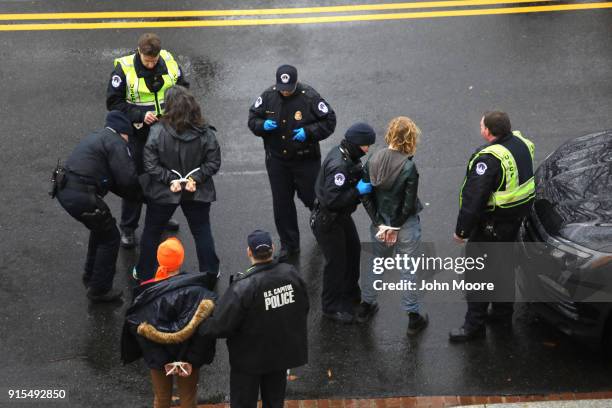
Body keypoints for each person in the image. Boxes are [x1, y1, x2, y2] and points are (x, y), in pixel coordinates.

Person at [449, 111, 535, 342]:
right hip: (513, 223)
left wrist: (462, 231)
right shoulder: (521, 144)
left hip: (491, 227)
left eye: (481, 125)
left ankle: (473, 326)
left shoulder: (489, 159)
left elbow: (474, 199)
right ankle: (502, 314)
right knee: (504, 268)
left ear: (488, 131)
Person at [198, 230, 309, 408]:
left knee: (243, 402)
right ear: (272, 249)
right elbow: (303, 307)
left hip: (248, 360)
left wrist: (200, 325)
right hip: (280, 355)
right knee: (274, 402)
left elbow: (221, 325)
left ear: (249, 252)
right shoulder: (291, 274)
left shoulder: (243, 287)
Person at [107, 32, 189, 248]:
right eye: (147, 60)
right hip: (138, 134)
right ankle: (128, 227)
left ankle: (159, 217)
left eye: (154, 60)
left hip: (165, 131)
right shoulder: (124, 69)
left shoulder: (170, 63)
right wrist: (139, 115)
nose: (151, 64)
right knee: (135, 182)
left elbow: (183, 90)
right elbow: (113, 103)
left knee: (163, 177)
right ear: (139, 51)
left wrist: (173, 112)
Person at [248, 65, 336, 261]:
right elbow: (252, 119)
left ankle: (325, 232)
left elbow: (329, 121)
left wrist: (309, 132)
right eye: (282, 87)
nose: (285, 91)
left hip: (305, 160)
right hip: (277, 161)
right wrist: (262, 125)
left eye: (289, 87)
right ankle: (289, 245)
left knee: (314, 199)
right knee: (282, 204)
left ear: (296, 83)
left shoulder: (310, 97)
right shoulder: (268, 96)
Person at [134, 85, 221, 286]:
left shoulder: (156, 132)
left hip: (164, 192)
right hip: (196, 192)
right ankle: (210, 271)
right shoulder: (206, 133)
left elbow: (150, 163)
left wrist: (169, 180)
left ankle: (145, 274)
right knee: (201, 230)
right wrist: (195, 179)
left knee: (152, 231)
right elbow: (213, 162)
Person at [53, 111, 141, 302]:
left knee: (101, 230)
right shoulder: (117, 143)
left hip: (65, 189)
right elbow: (127, 180)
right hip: (82, 195)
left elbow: (114, 182)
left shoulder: (98, 137)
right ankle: (99, 290)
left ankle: (91, 275)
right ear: (124, 131)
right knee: (111, 237)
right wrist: (144, 195)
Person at [121, 237, 217, 408]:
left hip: (160, 362)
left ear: (159, 260)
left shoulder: (146, 294)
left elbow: (142, 334)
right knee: (188, 399)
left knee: (161, 399)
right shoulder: (200, 292)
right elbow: (204, 333)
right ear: (180, 260)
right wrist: (190, 361)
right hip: (189, 362)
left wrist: (163, 361)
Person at [358, 117, 429, 334]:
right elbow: (407, 205)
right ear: (410, 139)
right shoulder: (408, 167)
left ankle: (366, 305)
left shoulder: (372, 160)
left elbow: (366, 196)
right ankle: (413, 318)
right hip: (404, 226)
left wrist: (380, 224)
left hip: (380, 224)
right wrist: (395, 227)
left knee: (376, 263)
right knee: (408, 270)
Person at [311, 123, 376, 323]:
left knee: (353, 251)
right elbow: (332, 200)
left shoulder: (346, 154)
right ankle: (330, 307)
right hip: (329, 220)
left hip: (340, 217)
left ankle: (350, 294)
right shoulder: (339, 166)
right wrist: (358, 191)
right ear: (356, 144)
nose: (367, 149)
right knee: (336, 264)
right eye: (365, 145)